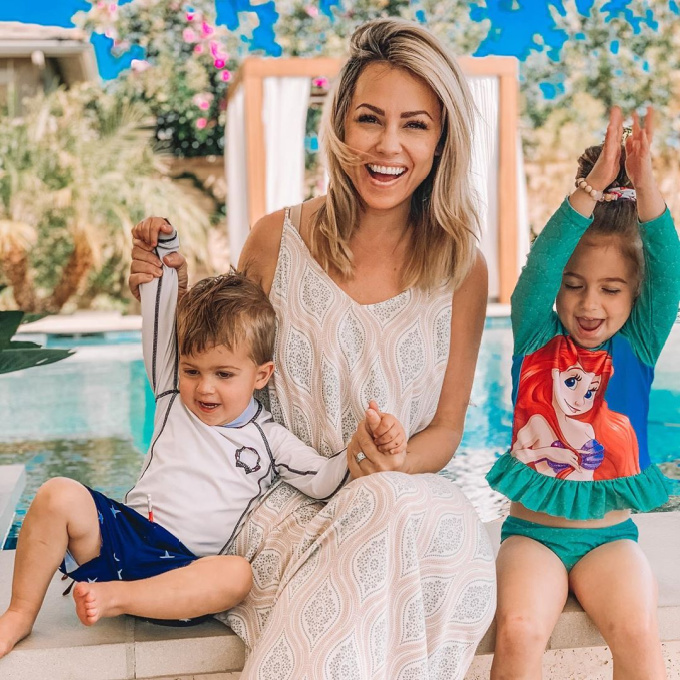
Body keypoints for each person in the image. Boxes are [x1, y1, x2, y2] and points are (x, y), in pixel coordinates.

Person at [129, 18, 495, 678]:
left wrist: (389, 462)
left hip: (399, 496)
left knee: (430, 514)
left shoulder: (463, 269)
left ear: (442, 141)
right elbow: (218, 372)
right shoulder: (275, 241)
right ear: (339, 129)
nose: (388, 145)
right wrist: (163, 296)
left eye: (415, 124)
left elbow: (445, 430)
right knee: (403, 519)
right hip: (284, 515)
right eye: (368, 119)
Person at [0, 225, 389, 657]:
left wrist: (361, 445)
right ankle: (18, 614)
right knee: (57, 494)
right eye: (192, 371)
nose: (204, 389)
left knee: (236, 576)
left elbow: (322, 479)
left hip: (183, 574)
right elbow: (159, 317)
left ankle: (115, 598)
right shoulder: (171, 398)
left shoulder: (268, 437)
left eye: (224, 375)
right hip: (126, 539)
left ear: (261, 375)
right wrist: (163, 250)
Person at [486, 106, 680, 678]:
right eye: (574, 286)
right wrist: (592, 189)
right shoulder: (535, 335)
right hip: (533, 539)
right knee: (519, 632)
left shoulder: (638, 346)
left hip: (608, 541)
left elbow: (668, 267)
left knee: (638, 631)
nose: (589, 305)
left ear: (633, 296)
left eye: (610, 289)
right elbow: (539, 268)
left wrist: (644, 185)